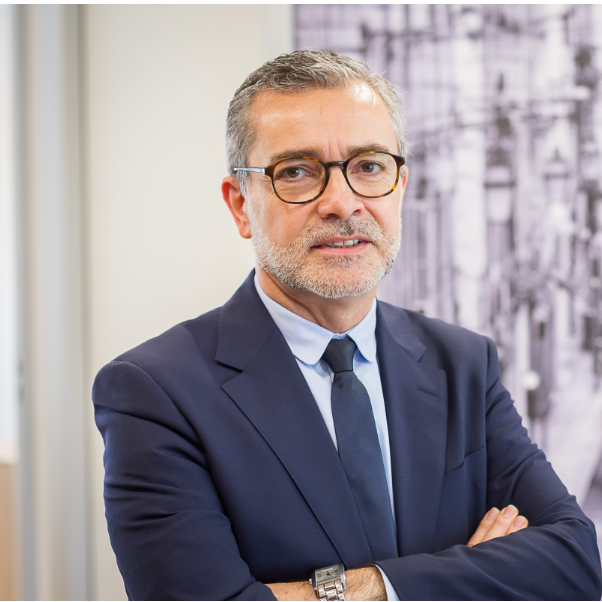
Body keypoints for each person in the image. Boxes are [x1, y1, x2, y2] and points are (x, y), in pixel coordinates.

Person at [93, 50, 602, 601]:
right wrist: (471, 572)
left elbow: (575, 561)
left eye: (369, 166)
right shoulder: (156, 393)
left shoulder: (463, 364)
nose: (341, 202)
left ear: (400, 186)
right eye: (296, 171)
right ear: (240, 206)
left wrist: (364, 589)